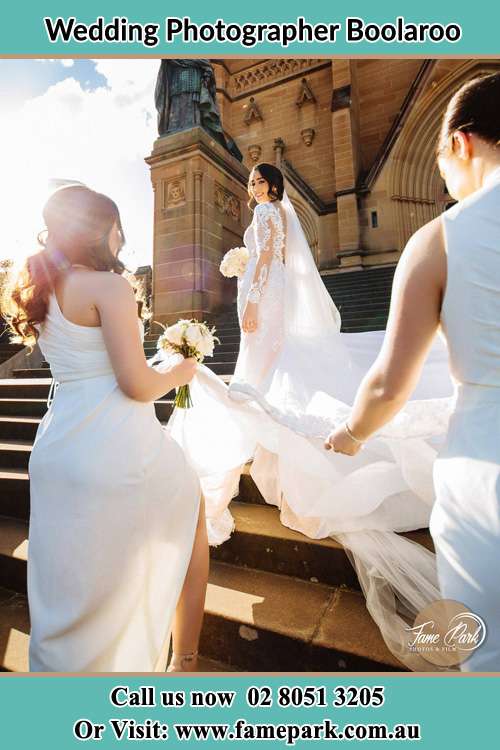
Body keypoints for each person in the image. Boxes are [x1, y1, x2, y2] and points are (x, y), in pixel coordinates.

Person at [167, 162, 455, 670]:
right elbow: (266, 258)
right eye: (252, 182)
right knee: (263, 368)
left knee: (262, 367)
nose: (254, 188)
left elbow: (266, 263)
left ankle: (266, 432)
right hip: (268, 296)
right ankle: (264, 432)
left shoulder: (269, 215)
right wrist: (245, 270)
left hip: (266, 299)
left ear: (275, 186)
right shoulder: (270, 213)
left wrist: (251, 298)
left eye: (261, 181)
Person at [326, 72, 500, 672]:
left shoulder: (439, 239)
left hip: (488, 470)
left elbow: (388, 384)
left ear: (461, 143)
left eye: (442, 164)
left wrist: (351, 435)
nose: (446, 182)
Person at [2, 184, 208, 672]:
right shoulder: (110, 286)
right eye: (118, 225)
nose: (123, 235)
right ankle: (185, 663)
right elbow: (136, 384)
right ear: (102, 230)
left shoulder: (43, 288)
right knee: (191, 520)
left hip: (59, 447)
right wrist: (181, 371)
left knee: (68, 585)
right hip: (118, 444)